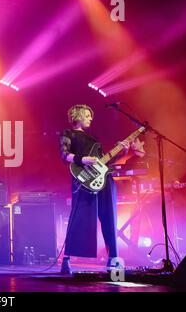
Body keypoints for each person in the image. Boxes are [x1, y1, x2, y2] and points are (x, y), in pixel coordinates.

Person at [59, 104, 145, 274]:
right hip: (83, 179)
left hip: (104, 179)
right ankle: (66, 259)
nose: (91, 118)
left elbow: (104, 162)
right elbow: (64, 155)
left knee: (109, 217)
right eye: (88, 115)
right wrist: (83, 159)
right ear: (78, 116)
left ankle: (113, 258)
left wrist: (122, 151)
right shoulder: (67, 134)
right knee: (79, 217)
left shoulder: (93, 138)